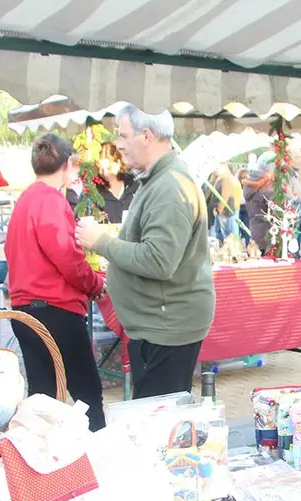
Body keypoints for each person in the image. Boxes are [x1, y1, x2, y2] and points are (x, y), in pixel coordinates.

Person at [75, 105, 215, 399]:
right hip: (159, 326)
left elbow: (158, 261)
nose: (119, 144)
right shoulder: (162, 180)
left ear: (147, 136)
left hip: (165, 328)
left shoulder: (169, 187)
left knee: (157, 425)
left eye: (123, 135)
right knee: (160, 421)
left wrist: (101, 241)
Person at [5, 133, 108, 430]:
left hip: (26, 310)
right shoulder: (50, 200)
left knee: (43, 399)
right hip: (55, 310)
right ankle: (96, 458)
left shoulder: (25, 199)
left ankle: (50, 466)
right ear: (67, 165)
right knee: (86, 394)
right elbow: (67, 258)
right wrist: (95, 284)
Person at [66, 142, 137, 225]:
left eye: (108, 167)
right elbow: (80, 216)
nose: (104, 173)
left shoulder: (134, 185)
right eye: (101, 169)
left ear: (118, 162)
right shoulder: (93, 190)